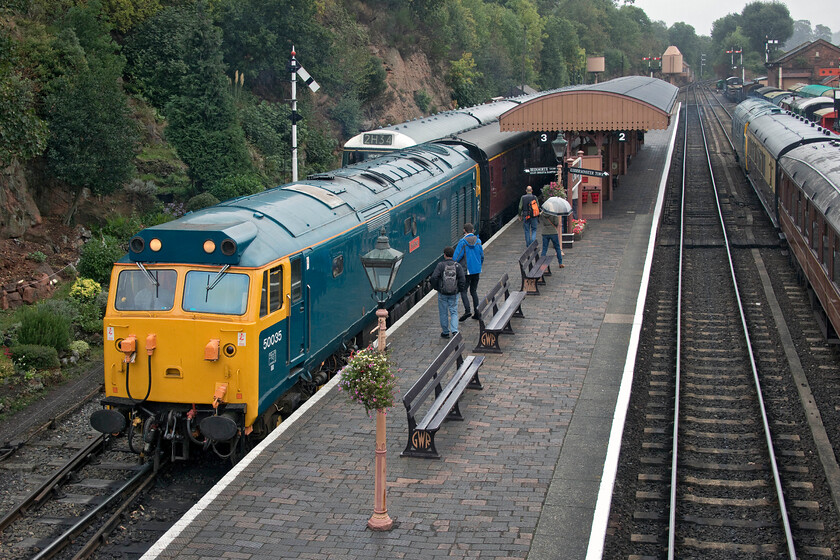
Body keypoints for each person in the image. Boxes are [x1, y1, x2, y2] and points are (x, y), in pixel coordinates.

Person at [430, 246, 465, 339]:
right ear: (453, 255)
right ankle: (454, 331)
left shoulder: (441, 265)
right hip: (454, 293)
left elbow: (434, 277)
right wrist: (459, 290)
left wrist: (436, 287)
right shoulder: (458, 266)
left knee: (443, 312)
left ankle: (445, 332)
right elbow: (462, 279)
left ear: (444, 255)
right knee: (454, 311)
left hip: (442, 293)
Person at [452, 223, 484, 321]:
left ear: (464, 231)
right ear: (473, 230)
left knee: (463, 290)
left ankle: (467, 310)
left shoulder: (462, 242)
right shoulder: (478, 241)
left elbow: (456, 257)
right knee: (474, 291)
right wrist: (479, 265)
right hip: (477, 270)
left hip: (466, 271)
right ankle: (477, 311)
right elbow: (482, 256)